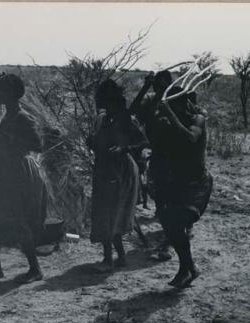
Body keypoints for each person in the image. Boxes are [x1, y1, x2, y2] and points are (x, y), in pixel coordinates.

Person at [0, 73, 47, 284]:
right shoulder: (9, 114)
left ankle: (35, 269)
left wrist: (3, 133)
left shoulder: (23, 117)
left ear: (10, 94)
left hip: (18, 173)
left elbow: (37, 145)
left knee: (18, 217)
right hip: (3, 170)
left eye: (1, 90)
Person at [89, 79, 148, 273]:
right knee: (104, 213)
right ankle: (117, 257)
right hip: (104, 169)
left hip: (121, 171)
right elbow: (98, 142)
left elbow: (143, 142)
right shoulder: (103, 120)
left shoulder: (126, 120)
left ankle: (110, 259)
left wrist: (124, 148)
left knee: (112, 214)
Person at [156, 87, 213, 288]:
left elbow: (190, 138)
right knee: (168, 222)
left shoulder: (198, 119)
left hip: (197, 185)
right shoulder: (170, 124)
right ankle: (189, 268)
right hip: (178, 183)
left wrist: (169, 115)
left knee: (178, 222)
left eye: (175, 107)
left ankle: (186, 269)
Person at [129, 71, 173, 261]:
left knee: (172, 198)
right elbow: (133, 110)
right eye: (157, 85)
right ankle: (169, 234)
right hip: (158, 155)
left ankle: (169, 240)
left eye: (163, 85)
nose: (159, 88)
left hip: (173, 155)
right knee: (160, 196)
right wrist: (145, 86)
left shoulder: (174, 100)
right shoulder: (150, 101)